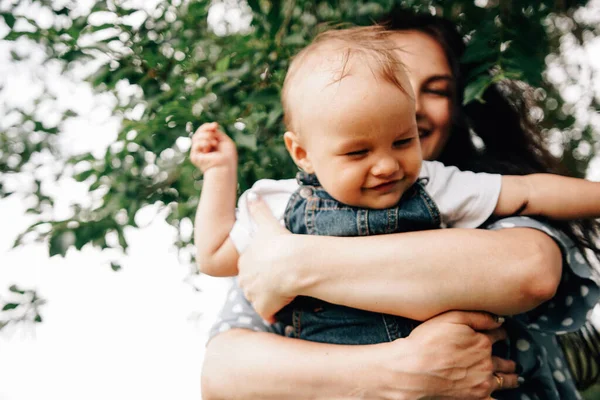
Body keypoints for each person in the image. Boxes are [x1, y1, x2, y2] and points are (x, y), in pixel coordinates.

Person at [200, 10, 600, 400]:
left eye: (436, 90)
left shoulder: (448, 189)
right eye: (357, 150)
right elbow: (223, 370)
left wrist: (293, 263)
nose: (387, 164)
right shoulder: (282, 211)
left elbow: (527, 267)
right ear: (303, 152)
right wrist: (395, 369)